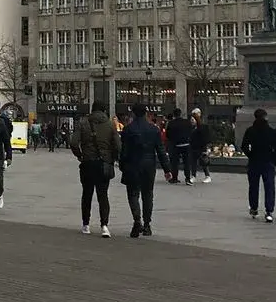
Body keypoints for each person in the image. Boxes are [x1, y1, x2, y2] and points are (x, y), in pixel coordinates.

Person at [118, 104, 169, 238]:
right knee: (148, 195)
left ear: (133, 114)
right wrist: (167, 169)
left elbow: (123, 151)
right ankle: (147, 225)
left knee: (133, 194)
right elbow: (161, 150)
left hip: (132, 165)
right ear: (146, 113)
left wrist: (122, 166)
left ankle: (137, 220)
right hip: (149, 165)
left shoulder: (128, 129)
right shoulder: (154, 129)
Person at [72, 100, 120, 236]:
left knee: (87, 194)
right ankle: (104, 226)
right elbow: (118, 146)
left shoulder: (83, 123)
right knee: (103, 195)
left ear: (92, 110)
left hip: (87, 163)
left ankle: (86, 225)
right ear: (104, 111)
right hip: (104, 164)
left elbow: (74, 142)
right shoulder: (110, 125)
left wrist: (80, 155)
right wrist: (112, 158)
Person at [243, 109, 276, 222]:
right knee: (269, 187)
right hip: (268, 161)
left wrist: (250, 155)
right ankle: (269, 211)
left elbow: (244, 146)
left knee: (253, 186)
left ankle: (254, 208)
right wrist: (274, 159)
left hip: (254, 161)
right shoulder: (271, 131)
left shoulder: (250, 130)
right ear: (266, 117)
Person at [165, 108, 195, 185]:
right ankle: (187, 178)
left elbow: (168, 134)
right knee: (186, 162)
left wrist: (173, 140)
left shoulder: (171, 123)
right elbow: (191, 132)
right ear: (181, 114)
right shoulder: (187, 122)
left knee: (174, 162)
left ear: (174, 115)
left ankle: (174, 178)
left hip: (176, 145)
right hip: (186, 144)